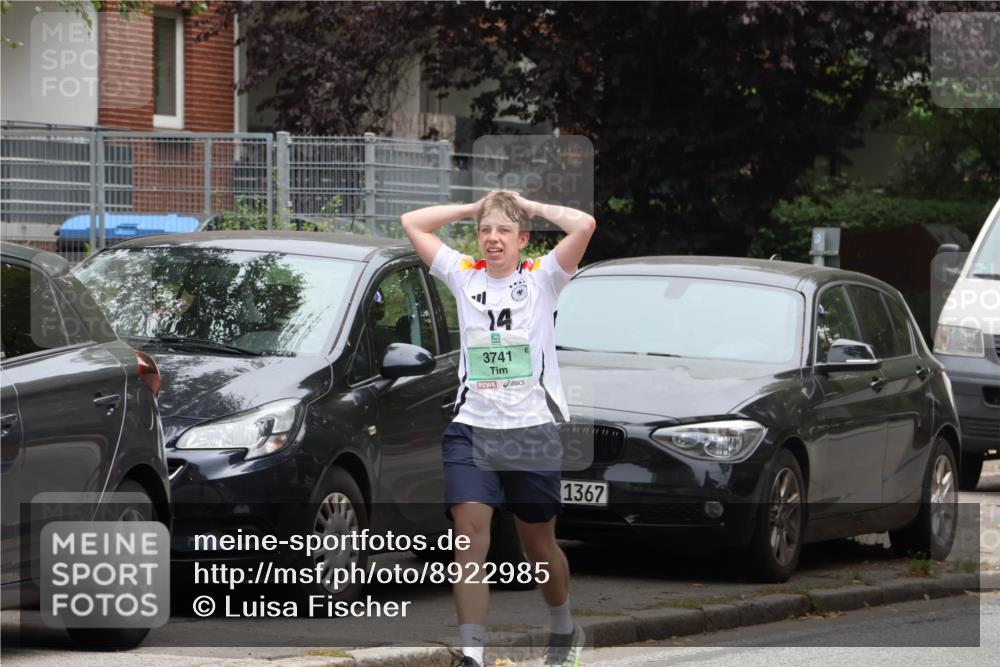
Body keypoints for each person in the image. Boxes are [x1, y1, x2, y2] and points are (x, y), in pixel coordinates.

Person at [401, 191, 596, 667]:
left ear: (522, 239)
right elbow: (412, 222)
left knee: (538, 546)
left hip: (530, 430)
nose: (492, 239)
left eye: (503, 231)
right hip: (473, 429)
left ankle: (565, 629)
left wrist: (528, 202)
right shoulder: (462, 274)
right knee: (469, 539)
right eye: (485, 231)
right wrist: (474, 208)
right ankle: (471, 655)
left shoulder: (544, 277)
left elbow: (585, 224)